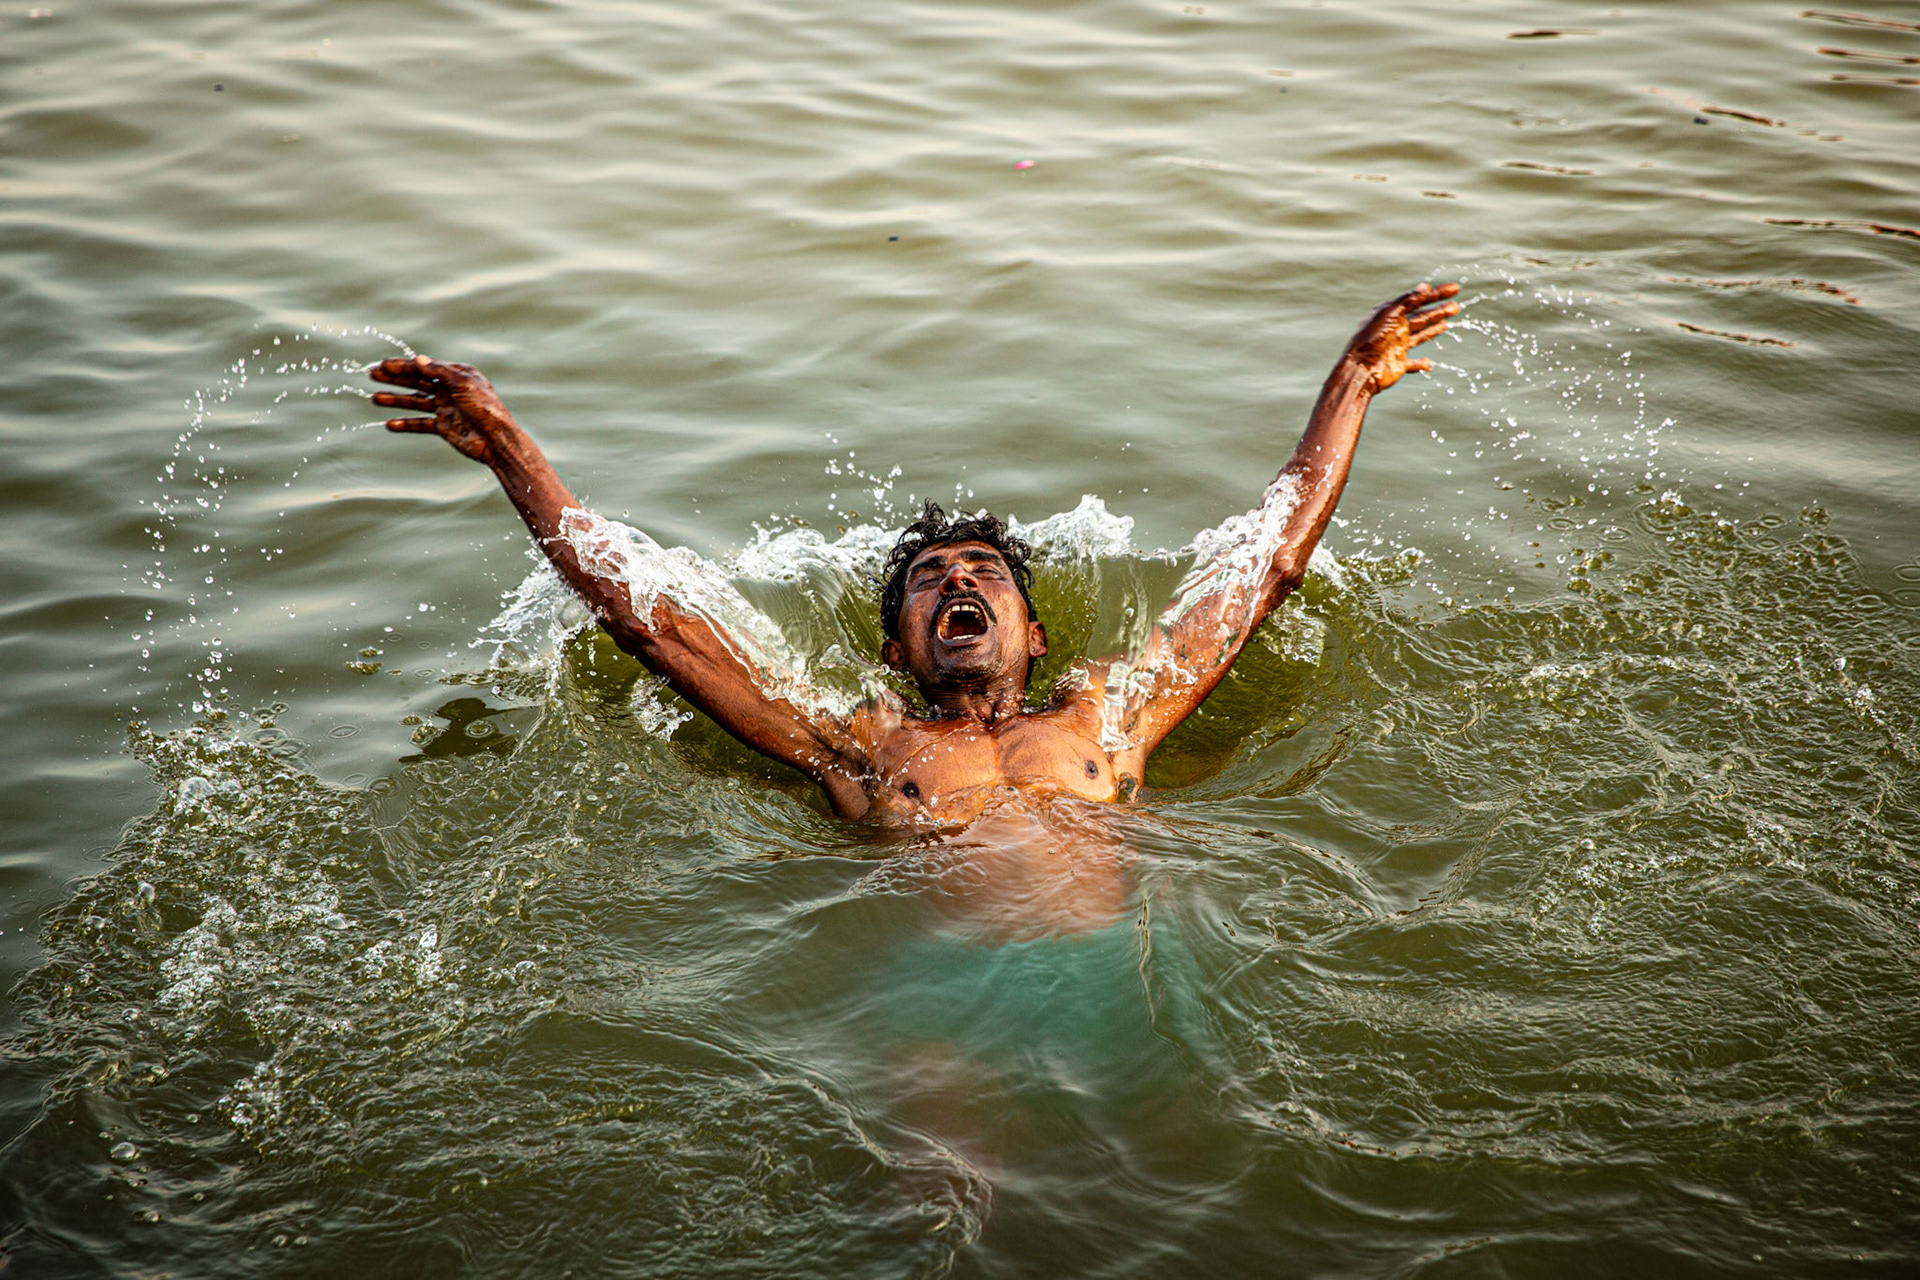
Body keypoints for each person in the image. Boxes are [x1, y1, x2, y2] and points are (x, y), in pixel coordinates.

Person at [369, 282, 1458, 849]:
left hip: (1128, 965)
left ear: (1036, 629)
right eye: (932, 578)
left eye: (984, 569)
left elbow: (1256, 576)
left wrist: (1352, 383)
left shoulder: (1110, 721)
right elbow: (653, 629)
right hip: (943, 998)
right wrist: (511, 449)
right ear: (898, 646)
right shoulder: (861, 743)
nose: (960, 582)